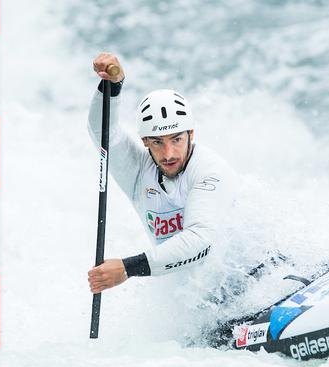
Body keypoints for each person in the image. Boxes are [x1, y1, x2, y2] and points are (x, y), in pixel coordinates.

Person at [87, 53, 237, 294]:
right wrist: (112, 86)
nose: (168, 153)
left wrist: (127, 268)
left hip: (254, 282)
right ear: (145, 141)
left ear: (191, 134)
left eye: (176, 139)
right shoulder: (138, 172)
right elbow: (102, 131)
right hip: (200, 300)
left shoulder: (211, 171)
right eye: (157, 142)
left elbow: (201, 240)